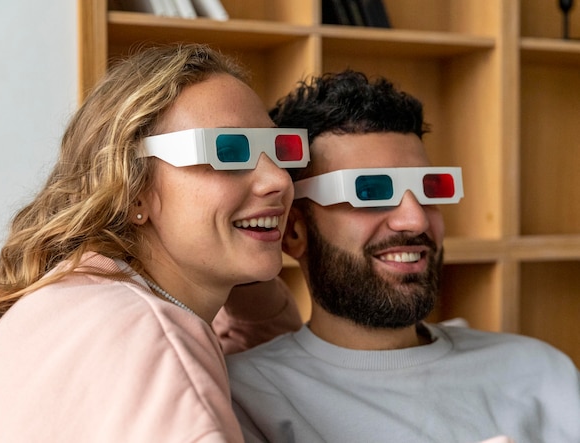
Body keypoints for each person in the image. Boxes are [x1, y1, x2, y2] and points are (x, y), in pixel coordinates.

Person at [0, 44, 308, 442]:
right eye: (227, 152)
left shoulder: (78, 295)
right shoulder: (157, 346)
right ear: (134, 190)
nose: (279, 180)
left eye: (281, 150)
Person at [225, 71, 580, 443]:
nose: (416, 219)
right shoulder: (248, 398)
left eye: (428, 190)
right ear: (294, 230)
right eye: (371, 191)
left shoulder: (541, 371)